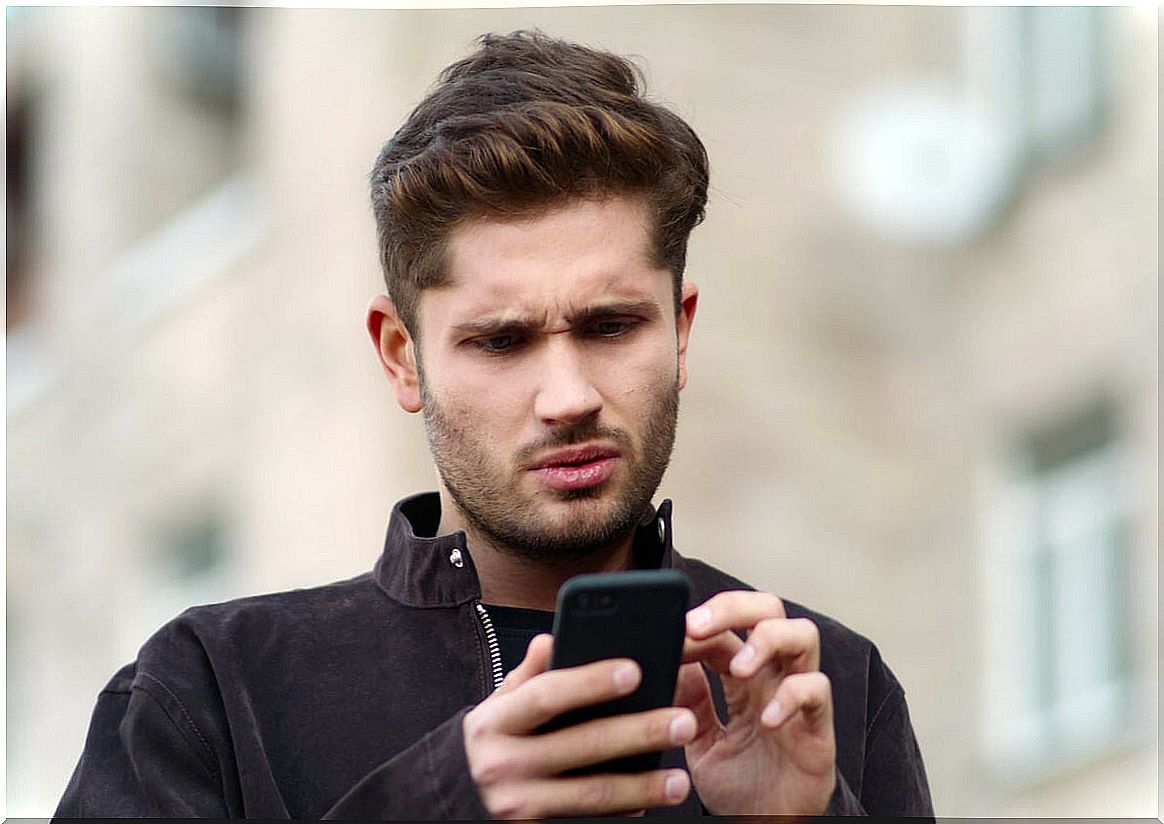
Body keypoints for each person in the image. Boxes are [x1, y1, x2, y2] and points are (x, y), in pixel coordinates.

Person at [56, 31, 933, 819]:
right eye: (503, 341)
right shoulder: (213, 687)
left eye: (612, 326)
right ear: (403, 357)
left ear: (681, 331)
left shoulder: (823, 687)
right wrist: (441, 801)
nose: (567, 396)